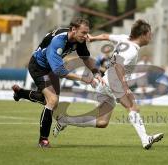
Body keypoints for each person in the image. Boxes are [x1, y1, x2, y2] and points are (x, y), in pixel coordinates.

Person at [53, 19, 164, 150]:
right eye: (150, 34)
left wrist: (93, 38)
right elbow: (118, 67)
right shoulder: (132, 51)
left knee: (102, 122)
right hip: (113, 82)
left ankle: (65, 120)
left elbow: (106, 36)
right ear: (143, 34)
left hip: (106, 81)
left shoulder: (124, 38)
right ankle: (146, 139)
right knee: (133, 107)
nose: (151, 37)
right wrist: (126, 88)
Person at [12, 17, 103, 148]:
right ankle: (43, 140)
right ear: (73, 29)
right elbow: (60, 71)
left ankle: (21, 93)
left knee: (51, 102)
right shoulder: (58, 41)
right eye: (83, 33)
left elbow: (86, 58)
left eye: (87, 32)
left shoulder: (79, 39)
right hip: (39, 67)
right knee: (52, 100)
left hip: (51, 68)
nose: (86, 36)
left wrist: (96, 72)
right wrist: (83, 78)